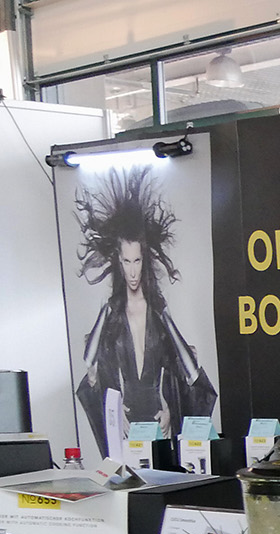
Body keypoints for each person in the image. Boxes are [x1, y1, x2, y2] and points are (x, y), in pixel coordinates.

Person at [73, 168, 217, 459]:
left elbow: (188, 371)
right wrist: (113, 412)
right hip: (125, 424)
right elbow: (92, 367)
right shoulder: (112, 314)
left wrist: (170, 410)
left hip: (158, 420)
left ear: (144, 260)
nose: (132, 271)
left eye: (137, 261)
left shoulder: (157, 312)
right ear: (118, 261)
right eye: (126, 261)